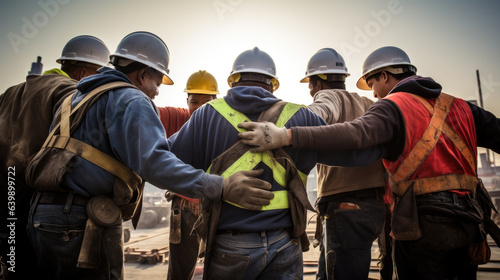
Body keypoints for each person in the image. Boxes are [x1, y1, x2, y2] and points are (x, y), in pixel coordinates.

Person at [25, 32, 274, 280]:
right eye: (157, 82)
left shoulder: (75, 98)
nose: (156, 92)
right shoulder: (131, 99)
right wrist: (221, 187)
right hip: (82, 221)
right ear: (143, 75)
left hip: (40, 215)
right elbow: (155, 163)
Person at [238, 46, 500, 280]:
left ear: (385, 76)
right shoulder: (461, 107)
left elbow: (354, 133)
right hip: (469, 221)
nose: (374, 94)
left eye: (373, 83)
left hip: (420, 223)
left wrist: (287, 134)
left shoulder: (391, 105)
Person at [167, 47, 385, 279]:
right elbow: (358, 153)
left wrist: (214, 185)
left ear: (232, 81)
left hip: (229, 245)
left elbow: (164, 162)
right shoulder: (301, 117)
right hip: (285, 245)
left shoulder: (206, 116)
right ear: (273, 84)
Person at [0, 35, 110, 280]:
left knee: (15, 271)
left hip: (7, 196)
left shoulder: (10, 92)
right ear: (83, 72)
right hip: (36, 199)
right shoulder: (68, 91)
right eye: (99, 76)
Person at [300, 48, 386, 280]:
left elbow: (317, 114)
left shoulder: (327, 97)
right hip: (376, 206)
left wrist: (286, 127)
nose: (310, 90)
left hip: (346, 207)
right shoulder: (369, 103)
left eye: (310, 84)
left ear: (318, 83)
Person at [161, 70, 219, 280]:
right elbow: (147, 113)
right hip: (185, 210)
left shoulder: (224, 126)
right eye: (194, 102)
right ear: (186, 100)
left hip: (216, 210)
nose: (200, 109)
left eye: (207, 103)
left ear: (217, 101)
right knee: (180, 273)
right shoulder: (177, 117)